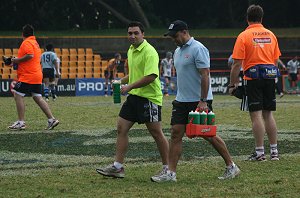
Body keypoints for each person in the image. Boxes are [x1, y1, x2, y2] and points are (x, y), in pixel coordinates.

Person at [151, 20, 240, 183]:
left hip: (199, 101)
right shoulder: (178, 51)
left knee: (208, 135)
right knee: (176, 133)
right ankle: (171, 173)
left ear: (184, 32)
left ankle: (231, 166)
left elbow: (205, 74)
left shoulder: (198, 48)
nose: (173, 39)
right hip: (181, 100)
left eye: (175, 36)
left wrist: (203, 100)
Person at [96, 21, 169, 179]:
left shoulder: (149, 52)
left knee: (156, 133)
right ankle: (118, 167)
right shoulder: (131, 50)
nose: (132, 36)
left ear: (143, 34)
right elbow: (135, 74)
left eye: (136, 33)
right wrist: (121, 81)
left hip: (149, 98)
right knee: (121, 128)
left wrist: (128, 87)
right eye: (130, 33)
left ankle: (167, 168)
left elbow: (151, 76)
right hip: (134, 97)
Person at [228, 5, 281, 161]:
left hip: (253, 78)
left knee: (256, 115)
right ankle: (274, 152)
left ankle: (259, 153)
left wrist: (233, 84)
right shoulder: (271, 35)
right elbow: (276, 60)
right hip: (270, 77)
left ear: (247, 18)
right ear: (262, 18)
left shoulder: (244, 36)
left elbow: (237, 64)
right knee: (268, 114)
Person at [8, 24, 59, 130]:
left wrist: (15, 60)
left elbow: (30, 55)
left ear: (23, 33)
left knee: (18, 95)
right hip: (36, 74)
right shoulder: (35, 42)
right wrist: (15, 60)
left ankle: (21, 122)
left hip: (28, 75)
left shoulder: (26, 42)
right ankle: (51, 119)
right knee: (37, 97)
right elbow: (30, 58)